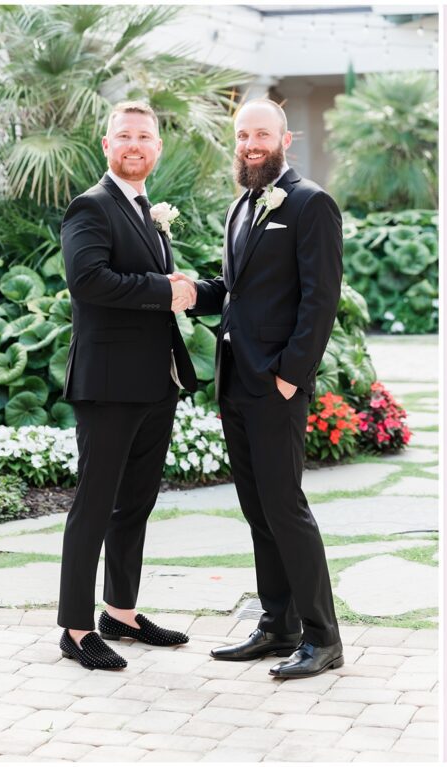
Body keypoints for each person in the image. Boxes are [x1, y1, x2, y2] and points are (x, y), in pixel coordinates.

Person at [184, 99, 344, 679]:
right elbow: (235, 290)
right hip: (236, 383)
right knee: (258, 512)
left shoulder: (310, 203)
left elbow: (320, 299)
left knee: (285, 508)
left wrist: (288, 376)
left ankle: (324, 637)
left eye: (262, 134)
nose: (251, 143)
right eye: (243, 135)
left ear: (286, 139)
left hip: (275, 385)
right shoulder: (242, 204)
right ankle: (279, 626)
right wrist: (191, 293)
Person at [57, 101, 198, 670]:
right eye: (124, 136)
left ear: (157, 149)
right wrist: (165, 289)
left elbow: (155, 285)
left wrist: (191, 289)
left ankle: (121, 612)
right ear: (106, 145)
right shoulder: (90, 207)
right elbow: (88, 280)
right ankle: (74, 627)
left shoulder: (144, 210)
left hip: (153, 383)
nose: (134, 145)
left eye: (144, 136)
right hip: (109, 384)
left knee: (135, 504)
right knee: (93, 506)